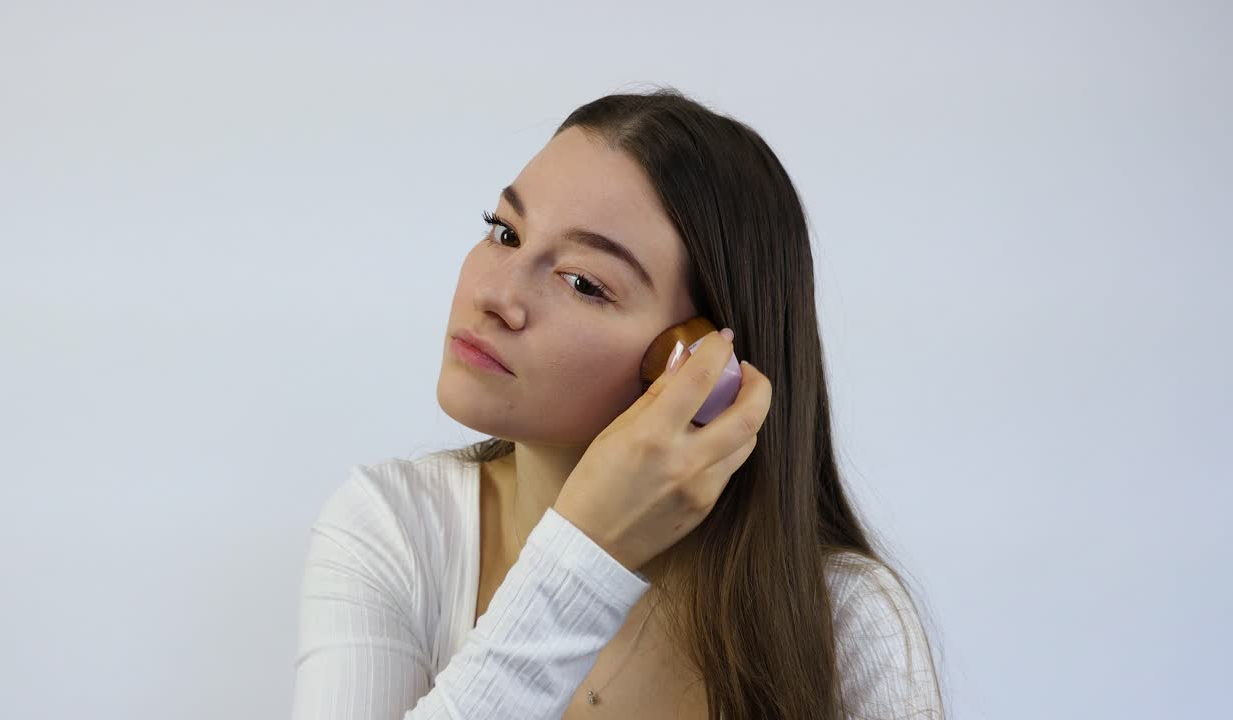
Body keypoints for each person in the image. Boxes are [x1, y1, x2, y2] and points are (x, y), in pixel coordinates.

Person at [293, 86, 946, 720]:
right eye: (505, 232)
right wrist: (585, 552)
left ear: (698, 364)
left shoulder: (850, 619)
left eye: (582, 282)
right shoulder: (395, 532)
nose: (497, 294)